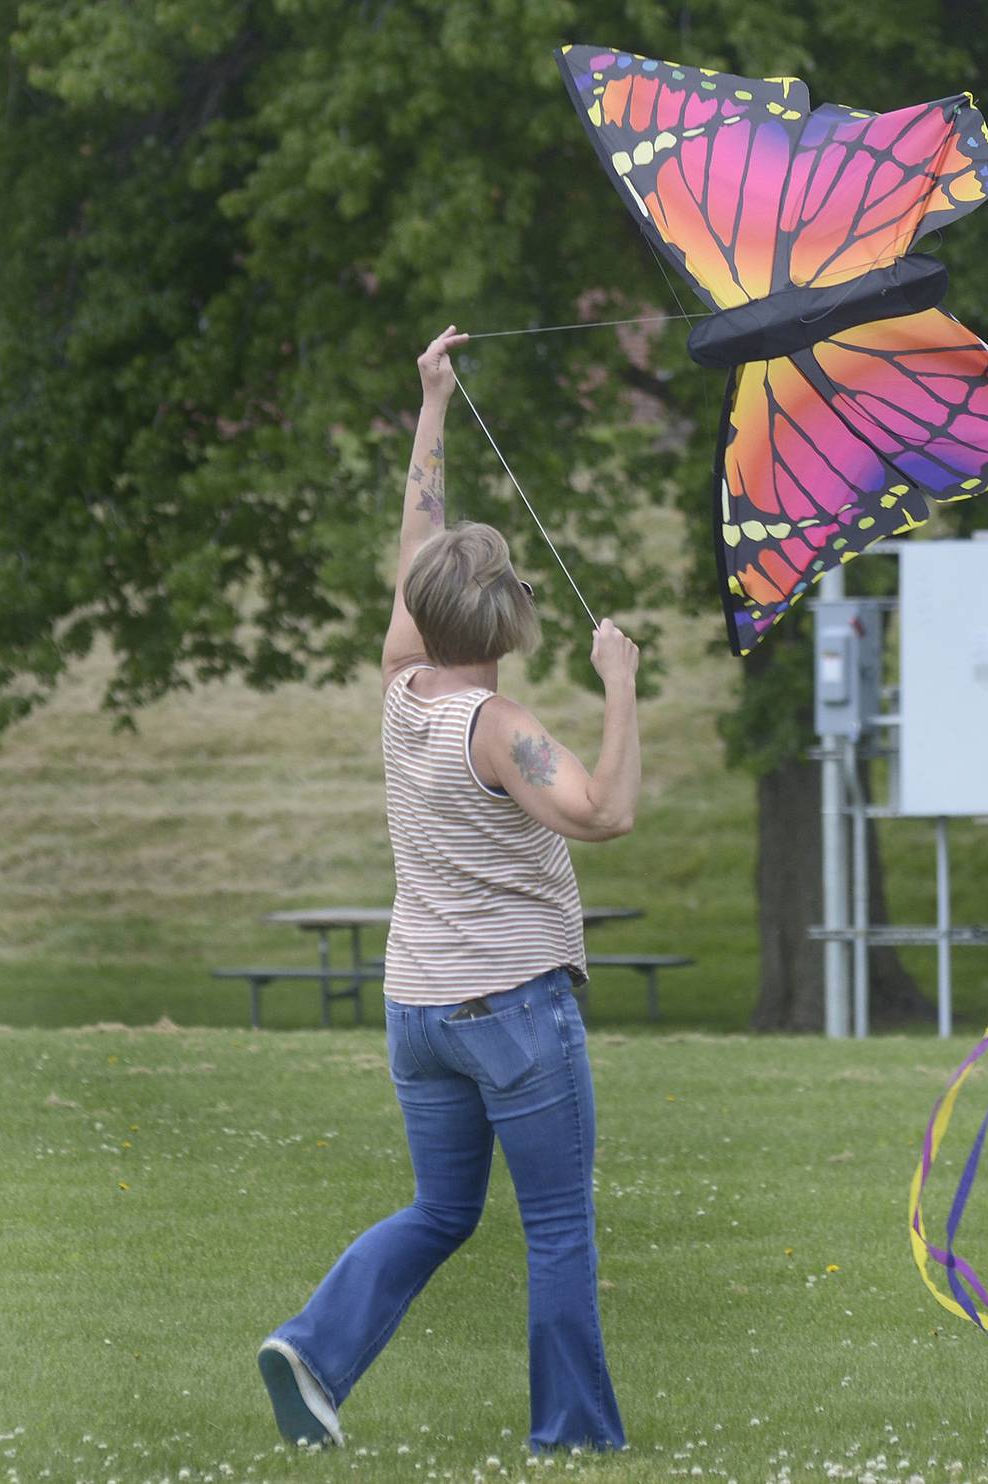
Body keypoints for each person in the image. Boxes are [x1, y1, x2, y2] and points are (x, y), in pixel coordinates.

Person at [257, 325, 639, 1453]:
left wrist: (433, 399)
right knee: (558, 1224)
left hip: (418, 1006)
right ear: (510, 622)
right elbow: (606, 813)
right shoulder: (498, 727)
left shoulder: (402, 685)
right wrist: (621, 686)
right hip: (512, 1008)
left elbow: (419, 542)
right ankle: (571, 1435)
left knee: (440, 1209)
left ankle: (315, 1350)